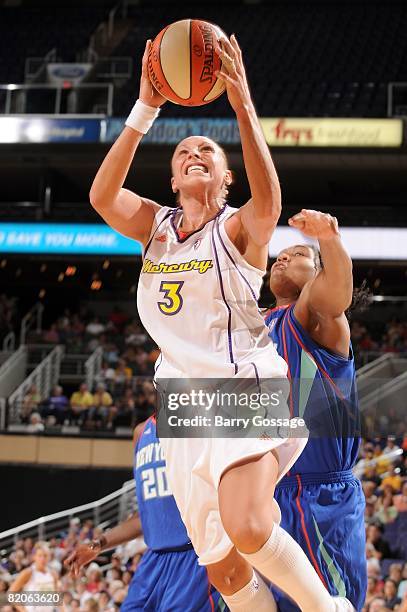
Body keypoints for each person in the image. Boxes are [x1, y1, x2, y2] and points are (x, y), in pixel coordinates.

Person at [89, 32, 352, 611]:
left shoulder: (237, 229)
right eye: (184, 153)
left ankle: (326, 608)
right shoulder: (155, 227)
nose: (194, 154)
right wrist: (146, 107)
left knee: (251, 526)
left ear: (225, 178)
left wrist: (242, 105)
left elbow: (270, 204)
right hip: (180, 401)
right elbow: (103, 196)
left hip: (241, 384)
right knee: (226, 572)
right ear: (174, 180)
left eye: (208, 151)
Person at [265, 209, 369, 611]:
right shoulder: (254, 325)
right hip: (262, 495)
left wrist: (328, 239)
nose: (282, 258)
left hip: (319, 496)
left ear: (318, 273)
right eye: (279, 255)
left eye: (296, 255)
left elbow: (337, 292)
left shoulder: (317, 315)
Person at [65, 417, 226, 611]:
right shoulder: (141, 433)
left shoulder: (206, 424)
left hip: (194, 559)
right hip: (153, 561)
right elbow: (146, 516)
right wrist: (99, 544)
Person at [9, 543, 59, 612]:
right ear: (34, 557)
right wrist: (23, 610)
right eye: (40, 555)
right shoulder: (28, 572)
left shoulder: (53, 573)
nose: (42, 558)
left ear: (49, 557)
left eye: (45, 556)